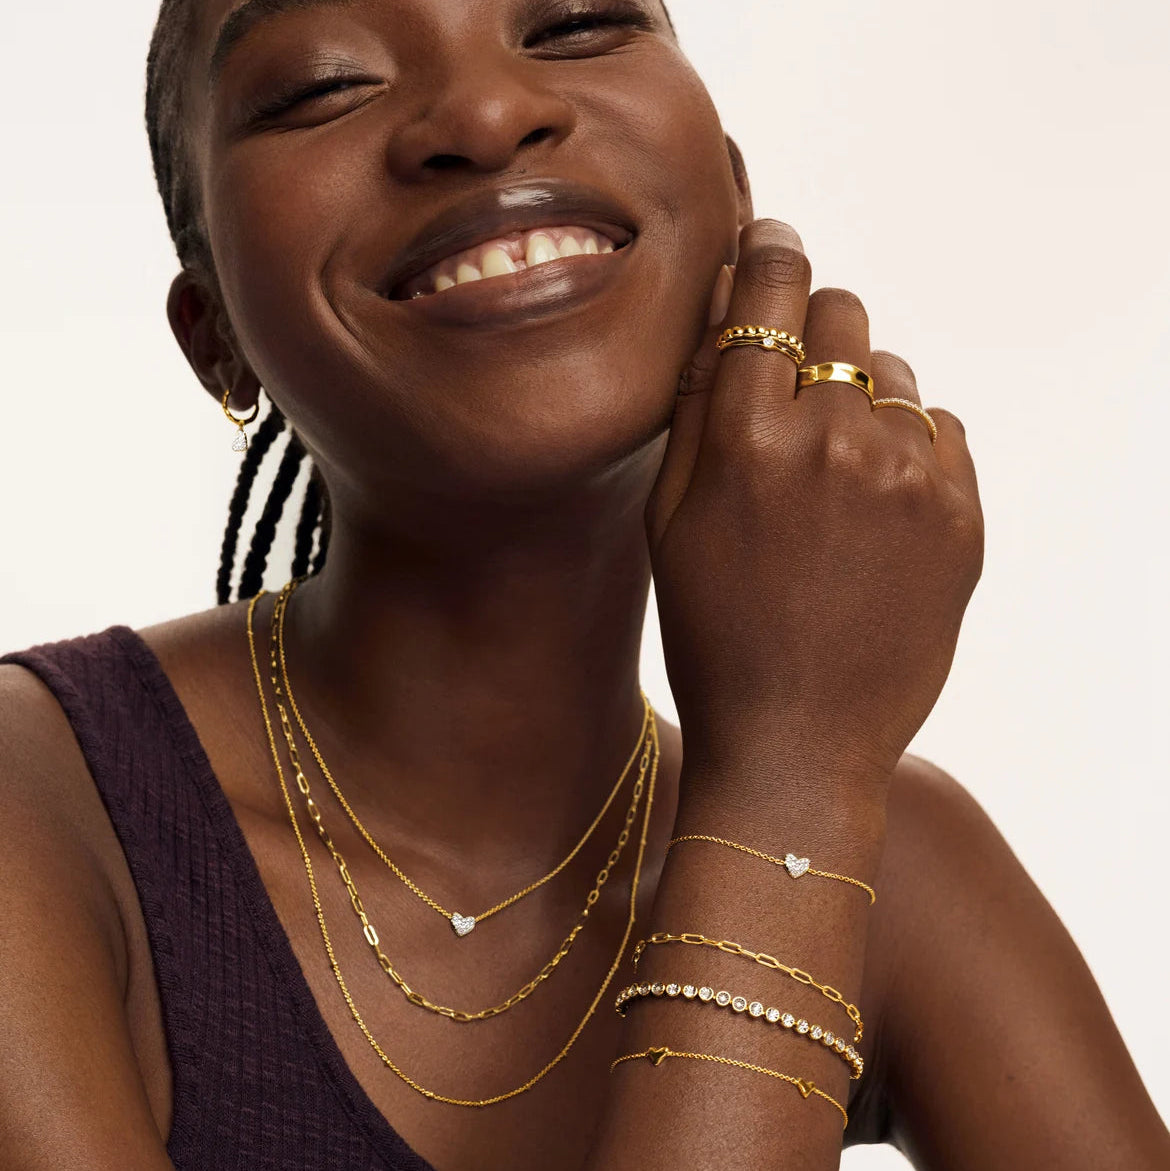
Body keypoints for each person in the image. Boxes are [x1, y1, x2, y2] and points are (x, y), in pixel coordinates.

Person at [0, 1, 1166, 1168]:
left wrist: (803, 783)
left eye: (572, 22)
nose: (488, 114)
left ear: (734, 201)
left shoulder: (893, 850)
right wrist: (784, 791)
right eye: (323, 85)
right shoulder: (48, 809)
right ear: (214, 337)